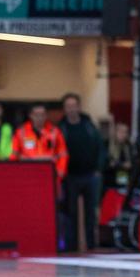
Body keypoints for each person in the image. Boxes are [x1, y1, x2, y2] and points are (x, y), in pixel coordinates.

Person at [57, 94, 103, 252]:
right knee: (71, 213)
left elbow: (100, 147)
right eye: (68, 106)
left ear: (79, 107)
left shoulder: (89, 126)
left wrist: (98, 169)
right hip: (70, 176)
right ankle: (71, 247)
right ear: (64, 109)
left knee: (91, 213)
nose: (71, 109)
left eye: (74, 105)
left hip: (90, 175)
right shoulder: (60, 129)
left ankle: (91, 245)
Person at [12, 103, 68, 181]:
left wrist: (60, 172)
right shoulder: (21, 132)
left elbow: (63, 154)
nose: (40, 117)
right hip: (27, 175)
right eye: (36, 115)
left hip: (49, 175)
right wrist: (15, 173)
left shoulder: (55, 132)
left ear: (46, 115)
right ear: (31, 115)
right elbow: (14, 155)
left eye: (42, 115)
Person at [104, 122, 133, 191]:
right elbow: (108, 163)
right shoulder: (107, 144)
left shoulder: (128, 146)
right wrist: (122, 165)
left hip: (122, 179)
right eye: (121, 131)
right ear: (115, 132)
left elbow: (131, 163)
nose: (123, 134)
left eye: (125, 132)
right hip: (109, 180)